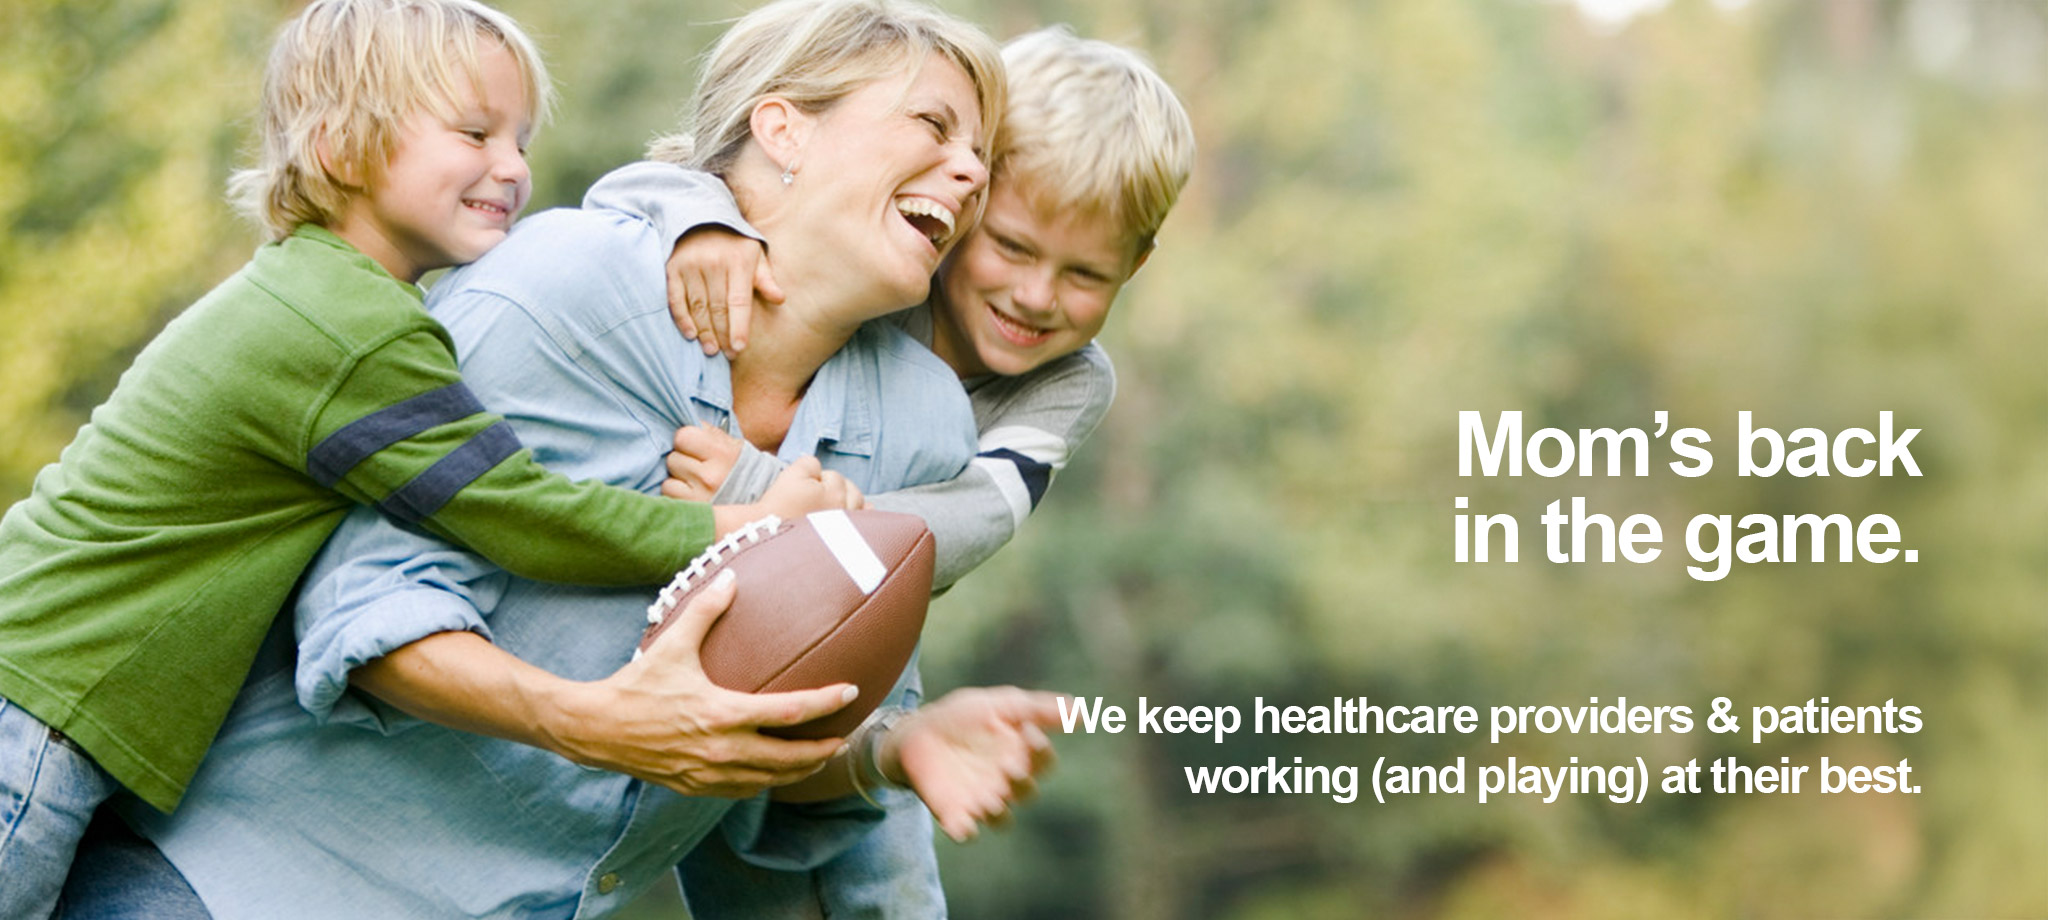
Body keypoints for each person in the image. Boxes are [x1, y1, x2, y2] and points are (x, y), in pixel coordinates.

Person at [80, 1, 1061, 916]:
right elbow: (361, 612)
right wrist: (593, 720)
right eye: (934, 127)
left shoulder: (920, 423)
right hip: (240, 882)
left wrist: (891, 749)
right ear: (782, 129)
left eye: (978, 152)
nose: (970, 172)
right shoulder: (570, 285)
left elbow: (775, 729)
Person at [611, 25, 1197, 917]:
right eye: (1012, 246)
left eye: (1085, 274)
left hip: (865, 620)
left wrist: (759, 502)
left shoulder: (1072, 380)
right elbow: (646, 180)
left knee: (878, 868)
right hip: (692, 598)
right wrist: (701, 220)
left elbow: (960, 528)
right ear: (968, 189)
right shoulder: (887, 269)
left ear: (1138, 262)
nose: (1037, 297)